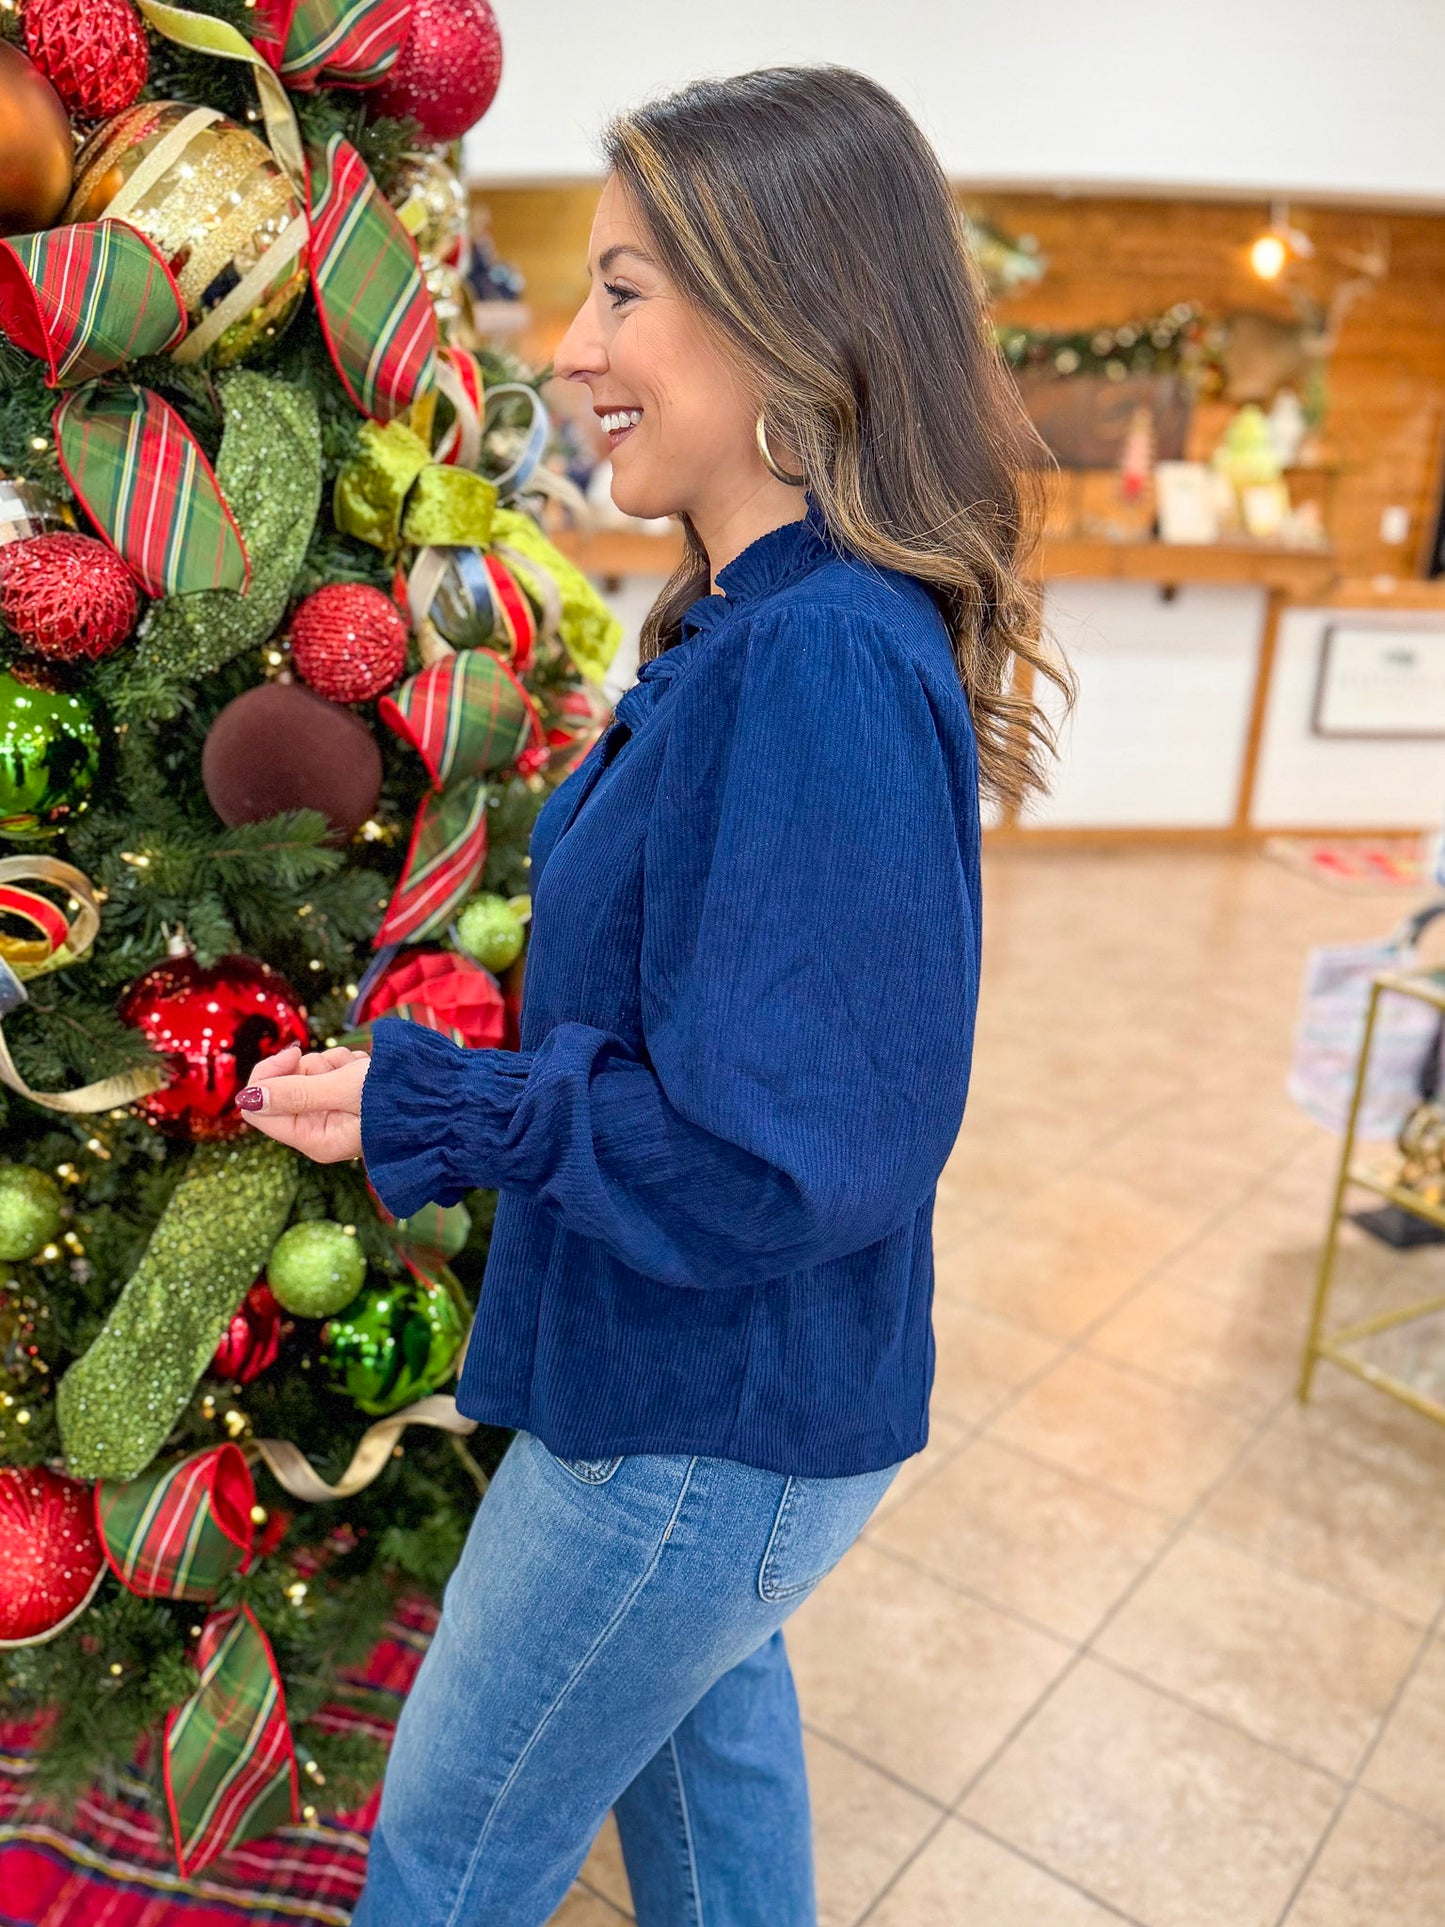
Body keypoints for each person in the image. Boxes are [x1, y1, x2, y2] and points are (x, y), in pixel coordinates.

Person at [235, 63, 1066, 1927]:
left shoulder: (820, 663)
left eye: (623, 289)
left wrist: (432, 1105)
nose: (577, 348)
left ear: (784, 316)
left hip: (696, 1426)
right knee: (708, 1814)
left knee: (452, 1857)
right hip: (699, 1401)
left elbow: (778, 1162)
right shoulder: (749, 627)